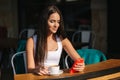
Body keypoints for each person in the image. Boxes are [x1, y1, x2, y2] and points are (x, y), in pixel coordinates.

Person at [26, 5, 85, 75]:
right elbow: (30, 69)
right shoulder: (32, 41)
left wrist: (81, 65)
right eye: (52, 21)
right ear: (44, 21)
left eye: (58, 22)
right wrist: (36, 69)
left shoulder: (62, 40)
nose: (56, 25)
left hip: (56, 77)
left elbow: (79, 60)